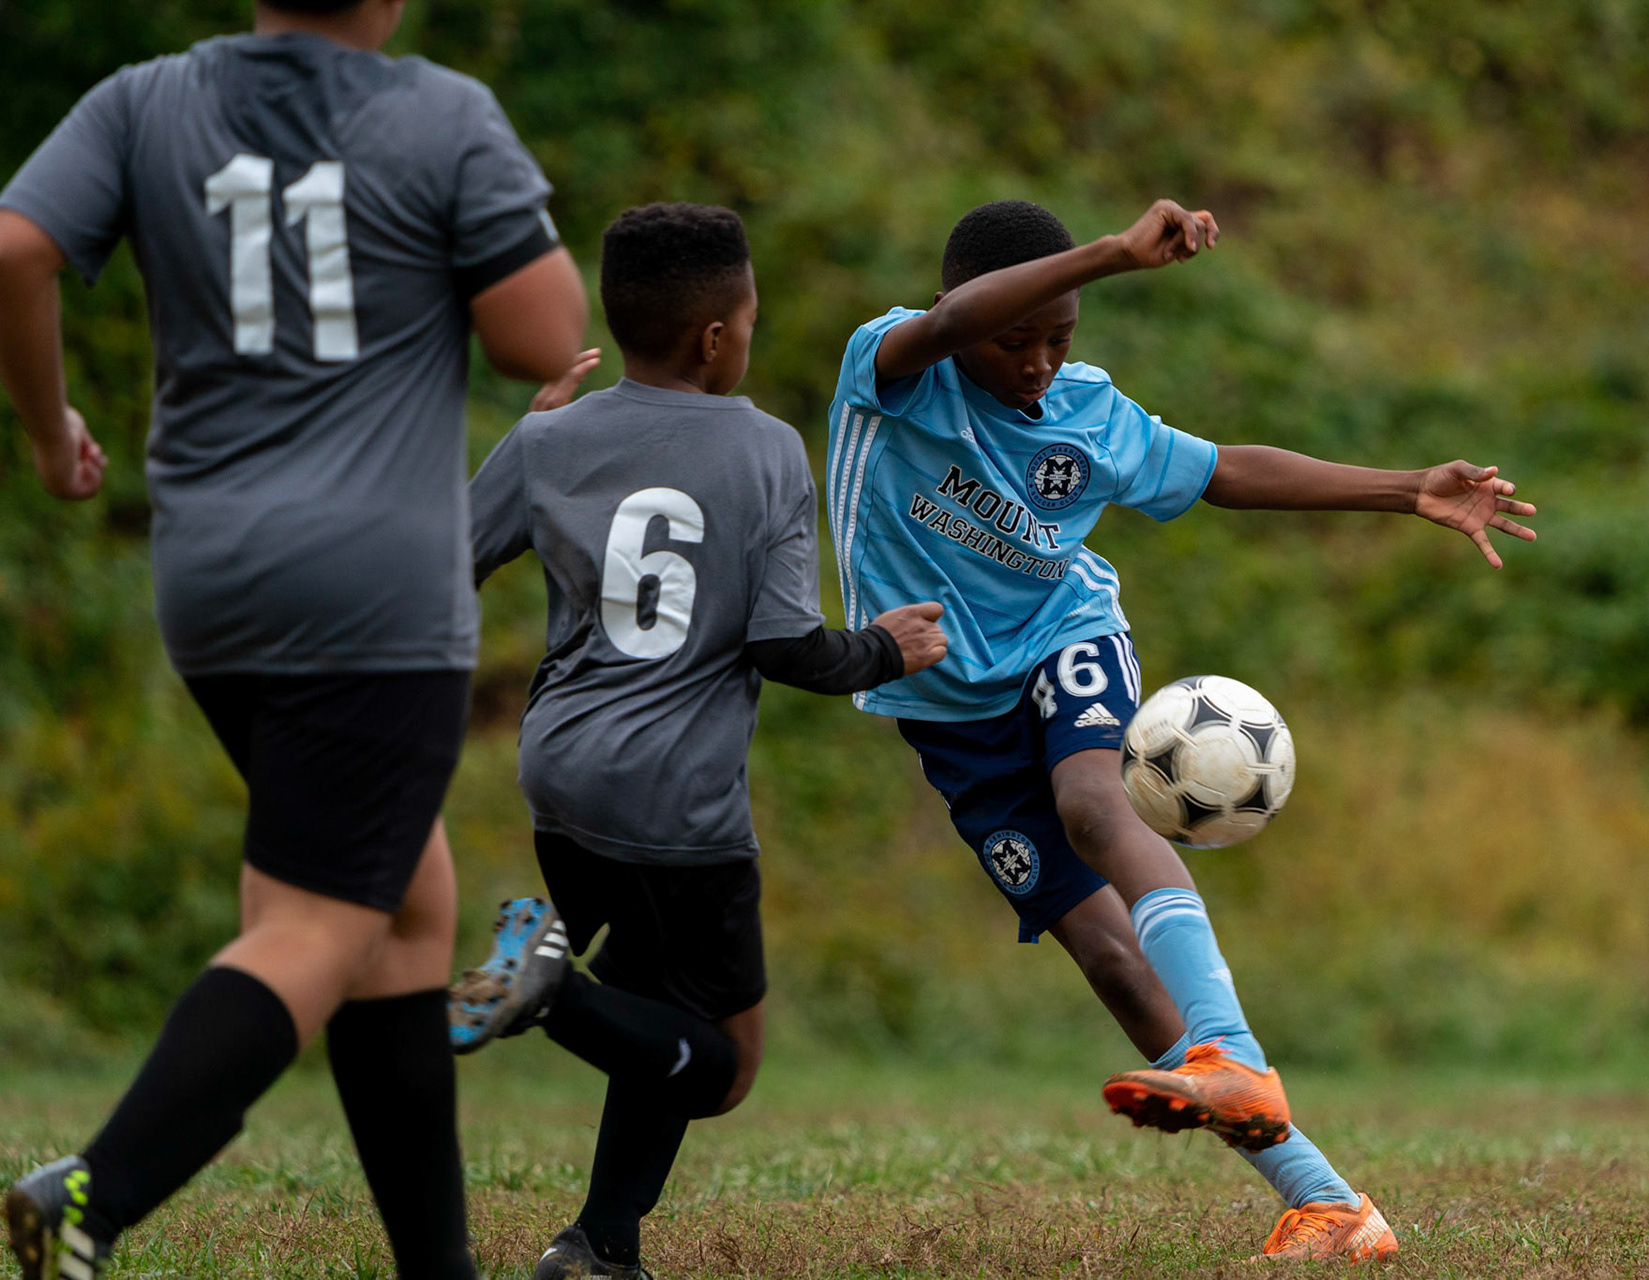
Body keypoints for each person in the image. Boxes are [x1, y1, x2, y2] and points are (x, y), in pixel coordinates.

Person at [826, 198, 1537, 1261]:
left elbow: (1222, 470)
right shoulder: (890, 370)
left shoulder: (1087, 413)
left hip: (1067, 634)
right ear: (957, 312)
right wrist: (1113, 253)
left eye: (1060, 336)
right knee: (1111, 960)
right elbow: (955, 321)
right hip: (948, 715)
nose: (1036, 361)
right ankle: (1333, 1202)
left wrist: (1404, 491)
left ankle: (1232, 1054)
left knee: (1090, 800)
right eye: (1015, 337)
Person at [0, 1, 586, 1276]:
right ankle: (95, 1190)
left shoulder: (143, 101)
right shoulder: (440, 113)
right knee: (320, 921)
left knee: (403, 908)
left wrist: (52, 435)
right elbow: (538, 338)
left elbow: (12, 249)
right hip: (373, 591)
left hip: (211, 581)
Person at [444, 202, 949, 1280]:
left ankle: (600, 1244)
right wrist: (882, 650)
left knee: (659, 1003)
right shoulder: (765, 447)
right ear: (717, 335)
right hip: (678, 801)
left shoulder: (547, 436)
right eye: (752, 316)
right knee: (719, 1067)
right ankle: (547, 987)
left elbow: (437, 562)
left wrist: (530, 439)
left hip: (560, 773)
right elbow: (781, 642)